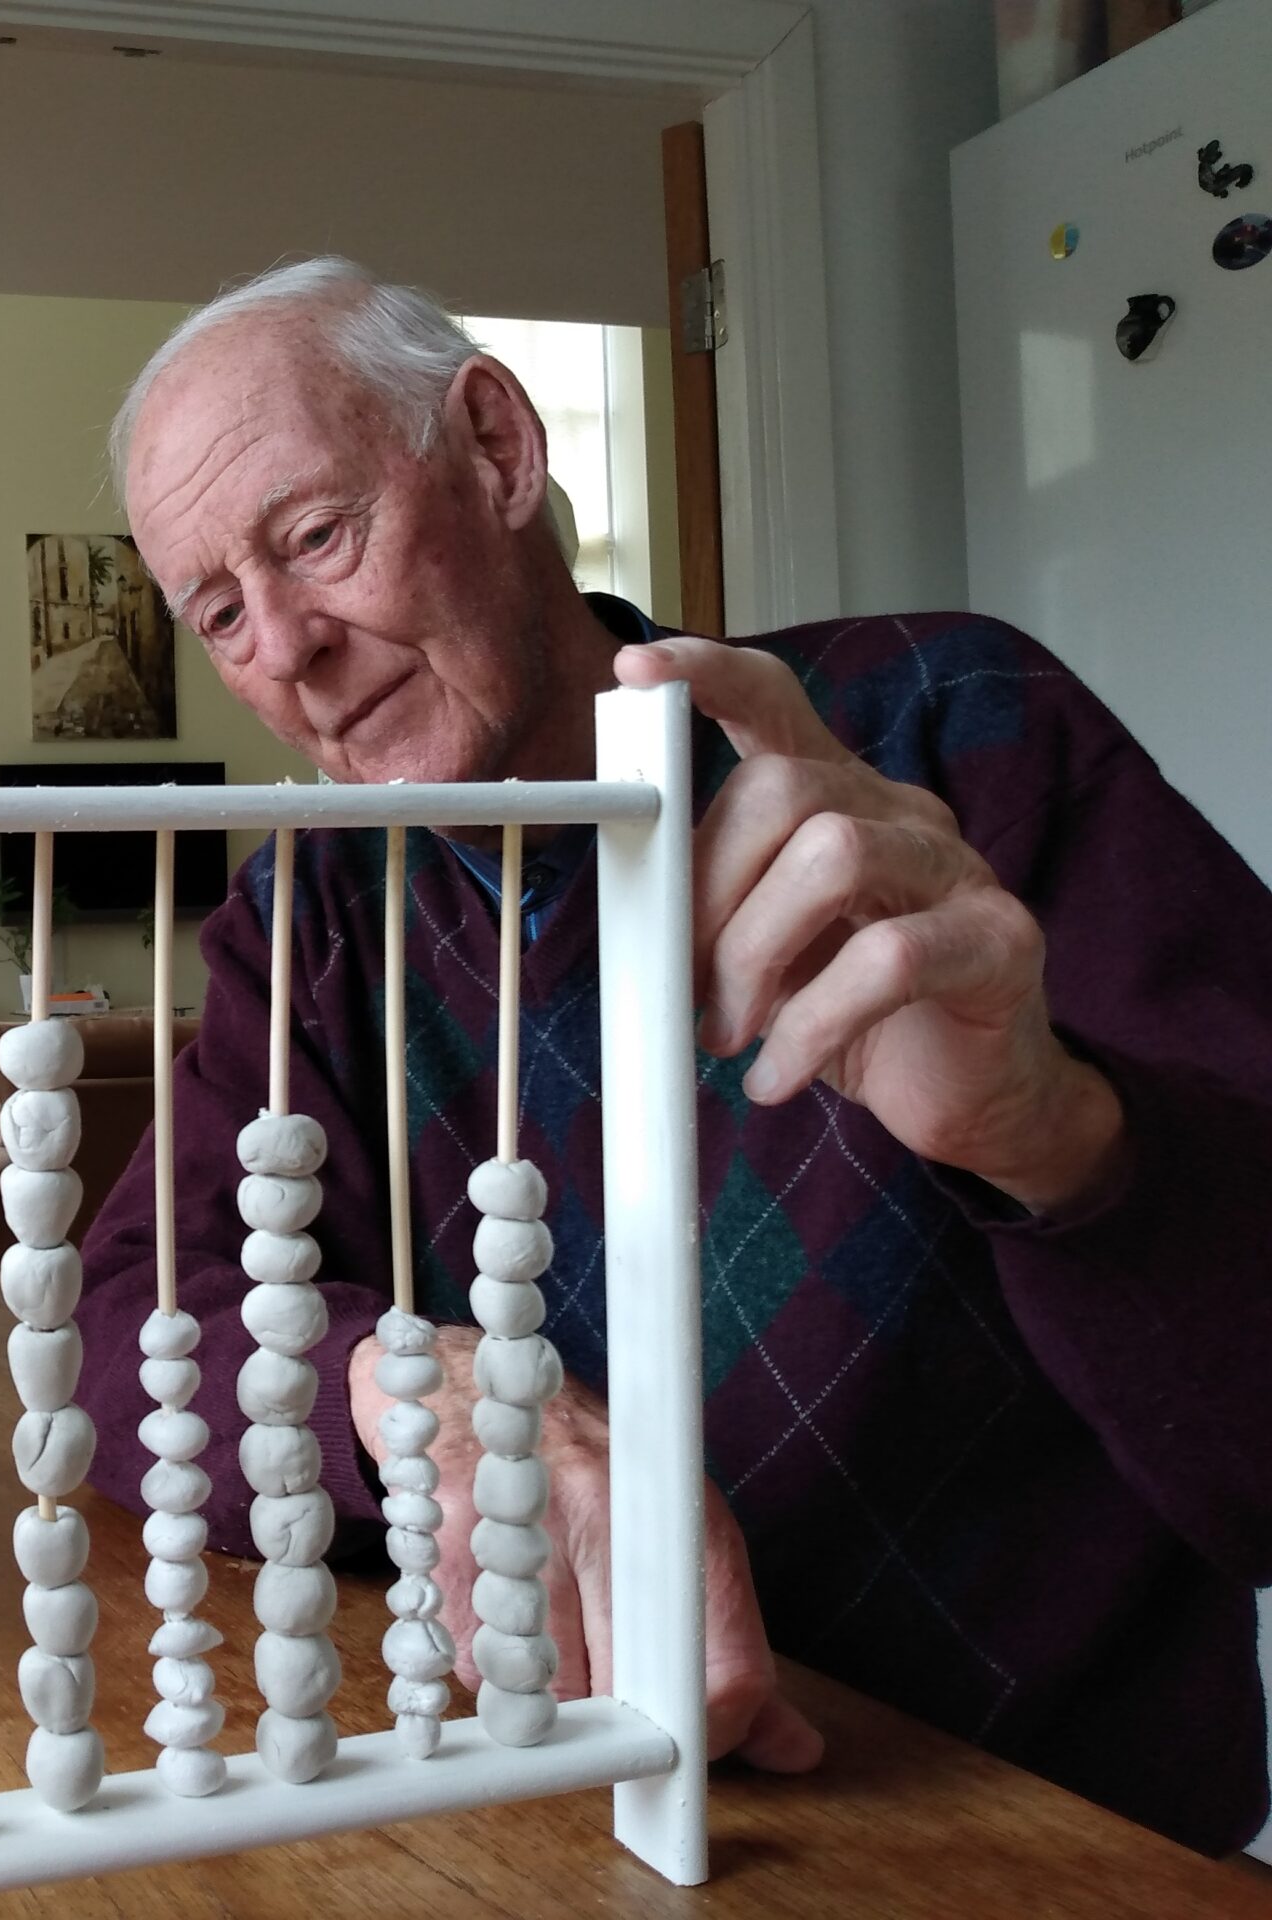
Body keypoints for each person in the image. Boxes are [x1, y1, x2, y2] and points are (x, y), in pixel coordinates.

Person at [75, 256, 1272, 1852]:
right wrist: (429, 1396)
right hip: (565, 1820)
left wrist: (1055, 1136)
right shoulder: (310, 920)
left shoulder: (952, 735)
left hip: (1051, 1838)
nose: (286, 646)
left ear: (497, 448)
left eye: (314, 536)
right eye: (219, 609)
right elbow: (128, 1323)